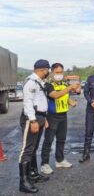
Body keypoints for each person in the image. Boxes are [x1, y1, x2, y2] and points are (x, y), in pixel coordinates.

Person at [40, 63, 80, 175]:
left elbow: (65, 97)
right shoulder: (48, 85)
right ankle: (44, 164)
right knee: (48, 140)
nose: (59, 74)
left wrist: (71, 101)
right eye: (57, 72)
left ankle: (60, 160)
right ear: (52, 72)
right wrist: (70, 88)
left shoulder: (63, 84)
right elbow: (56, 95)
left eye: (61, 72)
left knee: (61, 139)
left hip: (63, 115)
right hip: (52, 116)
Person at [19, 59, 50, 193]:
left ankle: (33, 174)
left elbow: (41, 101)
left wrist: (44, 118)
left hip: (40, 117)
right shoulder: (31, 82)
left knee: (34, 148)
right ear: (43, 69)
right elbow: (28, 103)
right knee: (27, 149)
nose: (48, 72)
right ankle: (24, 182)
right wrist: (33, 120)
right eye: (47, 70)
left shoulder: (39, 82)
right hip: (32, 118)